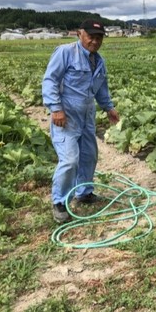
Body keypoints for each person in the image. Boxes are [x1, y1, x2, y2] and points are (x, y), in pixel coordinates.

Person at [42, 19, 120, 223]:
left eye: (99, 37)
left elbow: (101, 88)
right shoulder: (65, 52)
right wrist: (56, 108)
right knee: (69, 160)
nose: (95, 41)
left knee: (88, 156)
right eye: (91, 36)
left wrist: (108, 107)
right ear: (80, 34)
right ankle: (59, 202)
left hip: (87, 115)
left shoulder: (99, 61)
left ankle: (84, 192)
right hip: (66, 116)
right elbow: (50, 80)